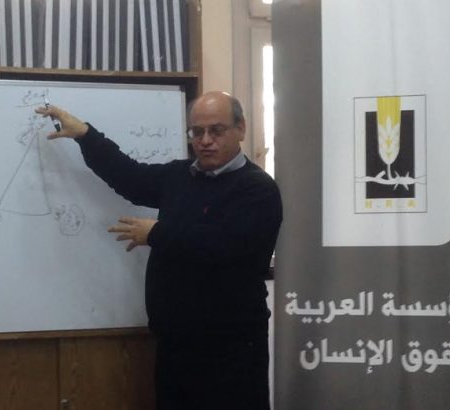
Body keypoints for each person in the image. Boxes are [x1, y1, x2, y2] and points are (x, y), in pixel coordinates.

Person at [36, 91, 282, 410]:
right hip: (176, 345)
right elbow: (130, 177)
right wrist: (86, 135)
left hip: (230, 349)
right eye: (197, 132)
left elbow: (228, 247)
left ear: (241, 129)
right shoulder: (181, 176)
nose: (205, 140)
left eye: (216, 130)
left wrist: (157, 233)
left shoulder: (257, 189)